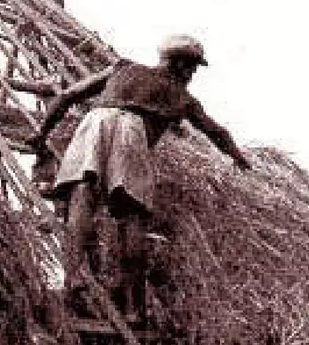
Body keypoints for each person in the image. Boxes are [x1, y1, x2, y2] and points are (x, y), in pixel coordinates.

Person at [33, 35, 253, 314]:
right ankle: (133, 307)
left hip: (95, 122)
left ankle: (73, 276)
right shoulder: (182, 97)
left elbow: (67, 96)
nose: (193, 75)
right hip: (132, 134)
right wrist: (238, 157)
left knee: (82, 198)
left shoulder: (122, 68)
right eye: (193, 68)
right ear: (181, 66)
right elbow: (216, 132)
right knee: (132, 214)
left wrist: (41, 133)